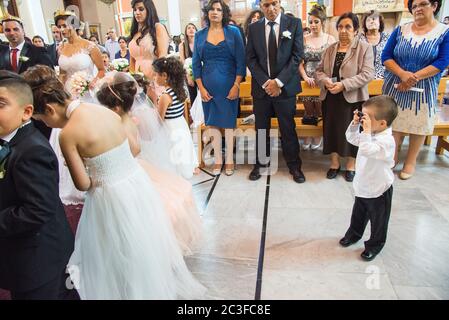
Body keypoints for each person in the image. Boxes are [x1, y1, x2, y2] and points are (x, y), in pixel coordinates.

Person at [23, 65, 206, 300]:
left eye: (41, 119)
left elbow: (83, 184)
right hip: (137, 184)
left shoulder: (69, 134)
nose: (46, 125)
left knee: (115, 252)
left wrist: (79, 165)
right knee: (143, 242)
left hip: (108, 196)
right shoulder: (105, 111)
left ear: (48, 109)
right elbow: (130, 148)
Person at [95, 71, 202, 254]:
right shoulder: (129, 118)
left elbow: (135, 149)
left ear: (116, 107)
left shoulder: (127, 122)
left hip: (128, 168)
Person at [0, 71, 75, 300]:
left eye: (1, 104)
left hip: (39, 259)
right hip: (19, 256)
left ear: (27, 112)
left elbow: (37, 210)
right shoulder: (9, 140)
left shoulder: (32, 151)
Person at [381, 0, 449, 180]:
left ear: (434, 6)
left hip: (424, 87)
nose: (417, 9)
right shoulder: (401, 30)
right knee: (394, 122)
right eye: (414, 6)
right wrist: (403, 74)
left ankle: (410, 161)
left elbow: (442, 61)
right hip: (396, 84)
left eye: (423, 4)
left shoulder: (444, 32)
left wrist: (413, 78)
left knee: (417, 124)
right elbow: (386, 56)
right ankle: (392, 157)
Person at [53, 9, 106, 223]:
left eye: (66, 25)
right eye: (60, 26)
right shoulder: (62, 48)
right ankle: (70, 181)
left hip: (88, 95)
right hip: (68, 94)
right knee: (64, 134)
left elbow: (102, 70)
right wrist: (60, 89)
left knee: (86, 133)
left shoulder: (90, 46)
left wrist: (91, 83)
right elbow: (63, 73)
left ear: (75, 24)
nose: (63, 29)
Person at [246, 0, 305, 183]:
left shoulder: (293, 24)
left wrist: (278, 82)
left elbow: (297, 56)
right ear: (261, 6)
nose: (270, 8)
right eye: (266, 5)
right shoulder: (254, 28)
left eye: (274, 3)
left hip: (285, 88)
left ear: (279, 3)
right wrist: (266, 82)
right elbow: (251, 58)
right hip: (262, 89)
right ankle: (260, 163)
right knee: (261, 128)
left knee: (288, 128)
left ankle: (294, 166)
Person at [315, 12, 375, 182]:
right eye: (340, 27)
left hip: (353, 98)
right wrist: (325, 80)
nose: (343, 30)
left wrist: (344, 84)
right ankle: (334, 163)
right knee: (332, 131)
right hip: (331, 97)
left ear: (356, 30)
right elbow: (318, 71)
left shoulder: (364, 48)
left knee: (354, 131)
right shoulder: (330, 49)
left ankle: (351, 165)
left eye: (348, 27)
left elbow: (368, 73)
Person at [340, 95, 398, 262]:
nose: (363, 120)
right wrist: (355, 124)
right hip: (363, 185)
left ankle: (374, 245)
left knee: (378, 221)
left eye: (367, 118)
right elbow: (351, 138)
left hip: (380, 189)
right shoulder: (371, 132)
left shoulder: (387, 141)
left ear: (382, 123)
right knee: (358, 214)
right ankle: (354, 234)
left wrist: (365, 131)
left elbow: (367, 149)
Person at [193, 0, 246, 176]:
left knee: (229, 123)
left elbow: (241, 61)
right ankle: (218, 160)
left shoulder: (233, 32)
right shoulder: (200, 35)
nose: (215, 12)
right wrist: (200, 87)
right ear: (207, 13)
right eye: (212, 9)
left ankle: (229, 159)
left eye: (219, 9)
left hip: (229, 85)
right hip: (207, 87)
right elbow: (195, 65)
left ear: (224, 14)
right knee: (212, 123)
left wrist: (236, 85)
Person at [0, 17, 54, 139]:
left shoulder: (37, 51)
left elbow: (48, 76)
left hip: (35, 101)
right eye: (7, 30)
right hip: (10, 105)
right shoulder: (1, 53)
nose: (12, 33)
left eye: (15, 29)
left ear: (23, 31)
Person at [154, 57, 200, 179]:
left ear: (164, 76)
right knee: (181, 149)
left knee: (173, 153)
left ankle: (177, 176)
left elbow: (159, 119)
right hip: (180, 123)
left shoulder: (165, 96)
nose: (154, 78)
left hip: (170, 128)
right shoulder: (179, 90)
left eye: (156, 75)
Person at [298, 4, 335, 151]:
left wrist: (326, 79)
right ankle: (307, 134)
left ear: (323, 22)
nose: (313, 25)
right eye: (311, 22)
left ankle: (318, 135)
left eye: (316, 21)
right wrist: (305, 76)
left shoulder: (330, 39)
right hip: (307, 80)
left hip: (323, 80)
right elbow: (299, 63)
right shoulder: (303, 39)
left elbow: (333, 63)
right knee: (308, 110)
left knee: (320, 110)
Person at [129, 0, 170, 104]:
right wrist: (133, 79)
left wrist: (157, 78)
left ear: (149, 10)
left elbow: (162, 56)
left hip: (155, 77)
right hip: (138, 80)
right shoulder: (135, 33)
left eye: (141, 9)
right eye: (135, 10)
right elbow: (132, 60)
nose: (137, 12)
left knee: (157, 112)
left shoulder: (158, 27)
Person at [360, 10, 390, 79]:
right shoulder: (358, 39)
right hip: (362, 80)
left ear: (380, 22)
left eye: (374, 19)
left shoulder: (388, 38)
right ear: (365, 24)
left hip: (383, 80)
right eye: (368, 20)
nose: (372, 21)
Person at [180, 23, 198, 105]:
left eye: (193, 28)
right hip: (189, 73)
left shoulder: (200, 43)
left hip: (200, 72)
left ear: (196, 30)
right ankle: (194, 116)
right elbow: (183, 62)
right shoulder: (182, 45)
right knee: (193, 95)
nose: (191, 29)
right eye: (189, 28)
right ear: (186, 32)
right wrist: (189, 76)